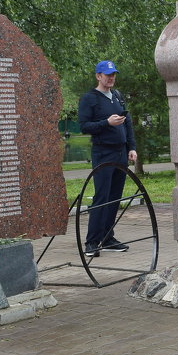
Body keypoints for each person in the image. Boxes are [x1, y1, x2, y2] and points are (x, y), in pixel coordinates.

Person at [77, 60, 137, 257]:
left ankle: (107, 237)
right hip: (103, 153)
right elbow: (84, 126)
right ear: (98, 76)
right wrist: (106, 122)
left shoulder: (117, 96)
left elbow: (127, 124)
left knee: (115, 197)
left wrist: (132, 148)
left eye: (113, 74)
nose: (111, 78)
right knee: (101, 197)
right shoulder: (90, 98)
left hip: (121, 153)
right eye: (107, 74)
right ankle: (92, 242)